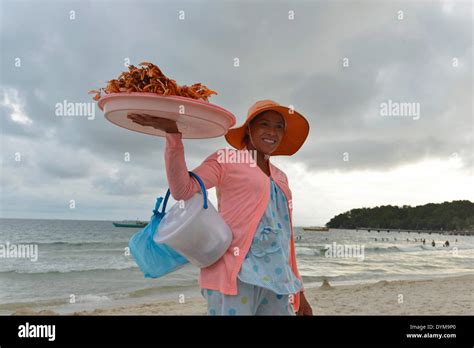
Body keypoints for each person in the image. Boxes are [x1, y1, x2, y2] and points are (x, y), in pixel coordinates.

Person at [128, 100, 312, 316]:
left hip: (277, 279)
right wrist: (172, 135)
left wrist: (299, 290)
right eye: (264, 124)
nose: (272, 131)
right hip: (234, 275)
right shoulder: (227, 159)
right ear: (249, 129)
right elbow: (183, 190)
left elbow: (286, 238)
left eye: (279, 126)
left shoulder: (281, 177)